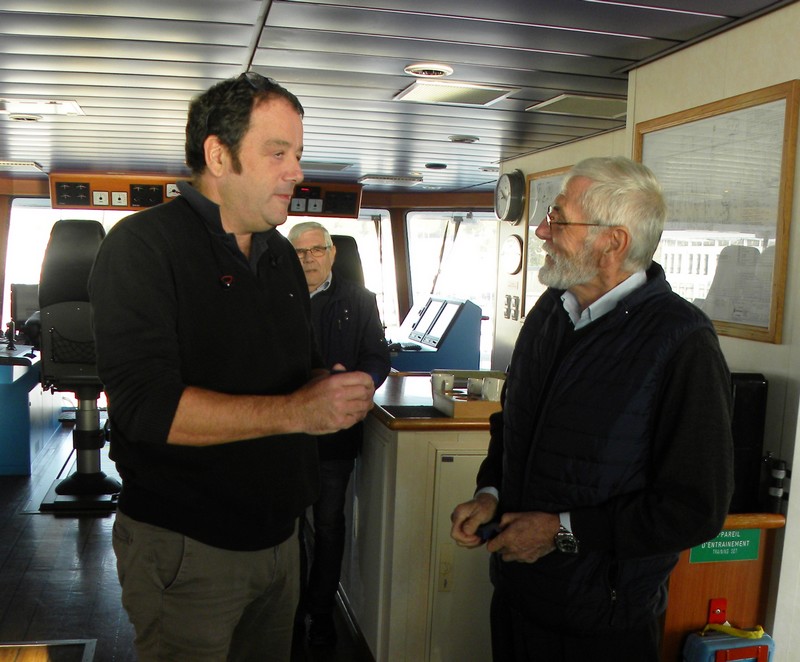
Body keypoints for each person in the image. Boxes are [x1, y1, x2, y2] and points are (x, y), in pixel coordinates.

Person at [88, 72, 375, 662]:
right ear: (218, 156)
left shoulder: (280, 255)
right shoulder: (144, 246)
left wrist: (328, 388)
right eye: (278, 153)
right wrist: (299, 412)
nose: (296, 172)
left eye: (298, 154)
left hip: (281, 540)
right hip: (187, 548)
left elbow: (301, 369)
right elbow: (146, 408)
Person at [450, 156, 734, 662]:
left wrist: (561, 531)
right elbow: (511, 426)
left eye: (558, 218)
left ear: (613, 242)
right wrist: (491, 492)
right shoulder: (549, 313)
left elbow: (695, 510)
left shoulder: (681, 341)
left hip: (603, 622)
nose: (542, 230)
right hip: (517, 597)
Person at [287, 221, 391, 646]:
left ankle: (321, 611)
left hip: (335, 434)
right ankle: (289, 613)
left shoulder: (360, 300)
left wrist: (361, 383)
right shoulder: (273, 295)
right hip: (284, 433)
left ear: (332, 253)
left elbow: (377, 357)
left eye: (317, 250)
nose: (309, 259)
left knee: (329, 526)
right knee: (287, 529)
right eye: (299, 252)